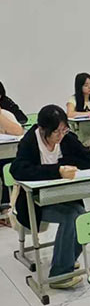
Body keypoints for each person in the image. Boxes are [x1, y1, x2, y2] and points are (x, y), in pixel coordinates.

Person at [11, 105, 90, 288]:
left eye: (63, 130)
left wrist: (66, 164)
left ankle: (66, 260)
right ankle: (59, 275)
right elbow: (18, 170)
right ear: (43, 129)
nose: (60, 135)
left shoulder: (66, 138)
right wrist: (57, 170)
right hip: (35, 202)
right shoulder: (30, 141)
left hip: (62, 196)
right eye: (56, 132)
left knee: (81, 215)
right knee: (71, 216)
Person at [0, 95, 25, 223]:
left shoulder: (5, 114)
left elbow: (18, 131)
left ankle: (7, 208)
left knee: (9, 165)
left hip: (4, 155)